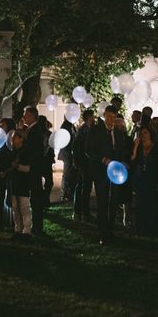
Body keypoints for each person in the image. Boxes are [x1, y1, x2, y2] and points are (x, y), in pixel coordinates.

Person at [86, 105, 129, 245]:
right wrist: (103, 159)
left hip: (115, 172)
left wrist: (122, 161)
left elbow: (120, 150)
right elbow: (88, 150)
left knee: (113, 202)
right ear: (104, 115)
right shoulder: (96, 130)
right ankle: (103, 233)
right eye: (109, 117)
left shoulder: (117, 132)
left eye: (114, 118)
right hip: (101, 173)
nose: (111, 120)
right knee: (102, 202)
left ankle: (110, 230)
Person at [131, 127, 158, 237]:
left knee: (154, 204)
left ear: (150, 134)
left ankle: (156, 229)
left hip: (152, 178)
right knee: (141, 204)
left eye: (145, 133)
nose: (143, 135)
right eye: (141, 133)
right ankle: (142, 229)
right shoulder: (138, 148)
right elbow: (132, 159)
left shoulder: (156, 148)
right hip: (140, 178)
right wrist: (135, 146)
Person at [21, 106, 46, 235]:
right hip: (33, 168)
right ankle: (37, 226)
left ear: (32, 116)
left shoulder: (35, 130)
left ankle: (37, 227)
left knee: (36, 199)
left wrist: (25, 158)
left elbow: (36, 150)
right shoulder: (31, 129)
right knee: (35, 198)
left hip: (34, 169)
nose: (23, 116)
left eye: (25, 114)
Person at [7, 129, 33, 240]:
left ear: (21, 139)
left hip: (23, 182)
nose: (12, 139)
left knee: (24, 207)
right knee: (15, 208)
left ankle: (26, 231)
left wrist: (17, 166)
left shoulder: (26, 152)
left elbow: (28, 169)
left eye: (15, 137)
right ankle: (17, 229)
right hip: (14, 182)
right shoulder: (12, 152)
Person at [0, 118, 16, 230]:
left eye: (3, 125)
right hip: (0, 170)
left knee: (11, 197)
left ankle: (11, 221)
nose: (1, 126)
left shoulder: (12, 137)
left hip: (9, 170)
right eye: (0, 124)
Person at [72, 109, 95, 221]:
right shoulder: (83, 130)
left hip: (88, 163)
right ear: (88, 117)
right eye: (92, 117)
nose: (94, 119)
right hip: (83, 163)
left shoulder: (89, 129)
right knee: (83, 187)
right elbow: (76, 146)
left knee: (86, 187)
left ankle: (84, 211)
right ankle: (79, 211)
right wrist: (77, 161)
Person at [58, 116, 77, 203]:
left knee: (70, 174)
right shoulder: (66, 126)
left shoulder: (71, 126)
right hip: (67, 154)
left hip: (69, 154)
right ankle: (64, 194)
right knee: (67, 174)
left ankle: (68, 193)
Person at [38, 115, 54, 209]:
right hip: (45, 160)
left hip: (43, 160)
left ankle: (44, 200)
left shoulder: (46, 133)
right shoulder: (47, 133)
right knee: (48, 182)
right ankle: (44, 200)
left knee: (46, 182)